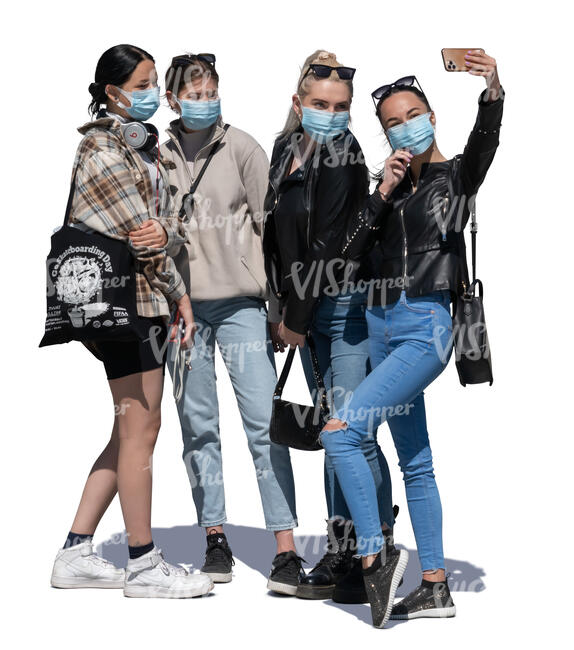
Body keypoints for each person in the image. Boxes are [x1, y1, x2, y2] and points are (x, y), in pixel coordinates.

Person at [318, 50, 504, 627]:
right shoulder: (390, 188)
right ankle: (434, 586)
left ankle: (375, 554)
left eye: (414, 114)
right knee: (415, 462)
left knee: (341, 432)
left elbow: (485, 140)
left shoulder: (456, 178)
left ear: (431, 116)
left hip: (424, 326)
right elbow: (346, 258)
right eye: (393, 122)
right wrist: (381, 192)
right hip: (379, 326)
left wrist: (494, 87)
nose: (406, 127)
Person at [49, 44, 213, 599]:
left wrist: (166, 238)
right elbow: (141, 233)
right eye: (142, 84)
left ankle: (74, 550)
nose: (149, 94)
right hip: (127, 305)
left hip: (146, 302)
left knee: (130, 430)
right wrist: (180, 291)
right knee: (142, 429)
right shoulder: (100, 149)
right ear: (111, 90)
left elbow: (170, 227)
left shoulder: (143, 150)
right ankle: (143, 564)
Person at [153, 52, 299, 594]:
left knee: (264, 425)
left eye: (210, 91)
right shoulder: (158, 154)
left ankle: (284, 548)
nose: (203, 101)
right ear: (172, 100)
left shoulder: (243, 148)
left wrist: (278, 308)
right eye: (193, 94)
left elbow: (274, 229)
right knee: (199, 426)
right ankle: (214, 534)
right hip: (182, 309)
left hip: (240, 304)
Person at [262, 50, 395, 601]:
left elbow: (329, 246)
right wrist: (281, 305)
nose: (332, 114)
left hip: (341, 307)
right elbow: (275, 233)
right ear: (299, 103)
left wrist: (294, 317)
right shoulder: (283, 150)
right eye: (320, 104)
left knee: (349, 431)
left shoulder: (345, 153)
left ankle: (373, 548)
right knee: (333, 429)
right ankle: (343, 553)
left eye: (340, 106)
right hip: (305, 308)